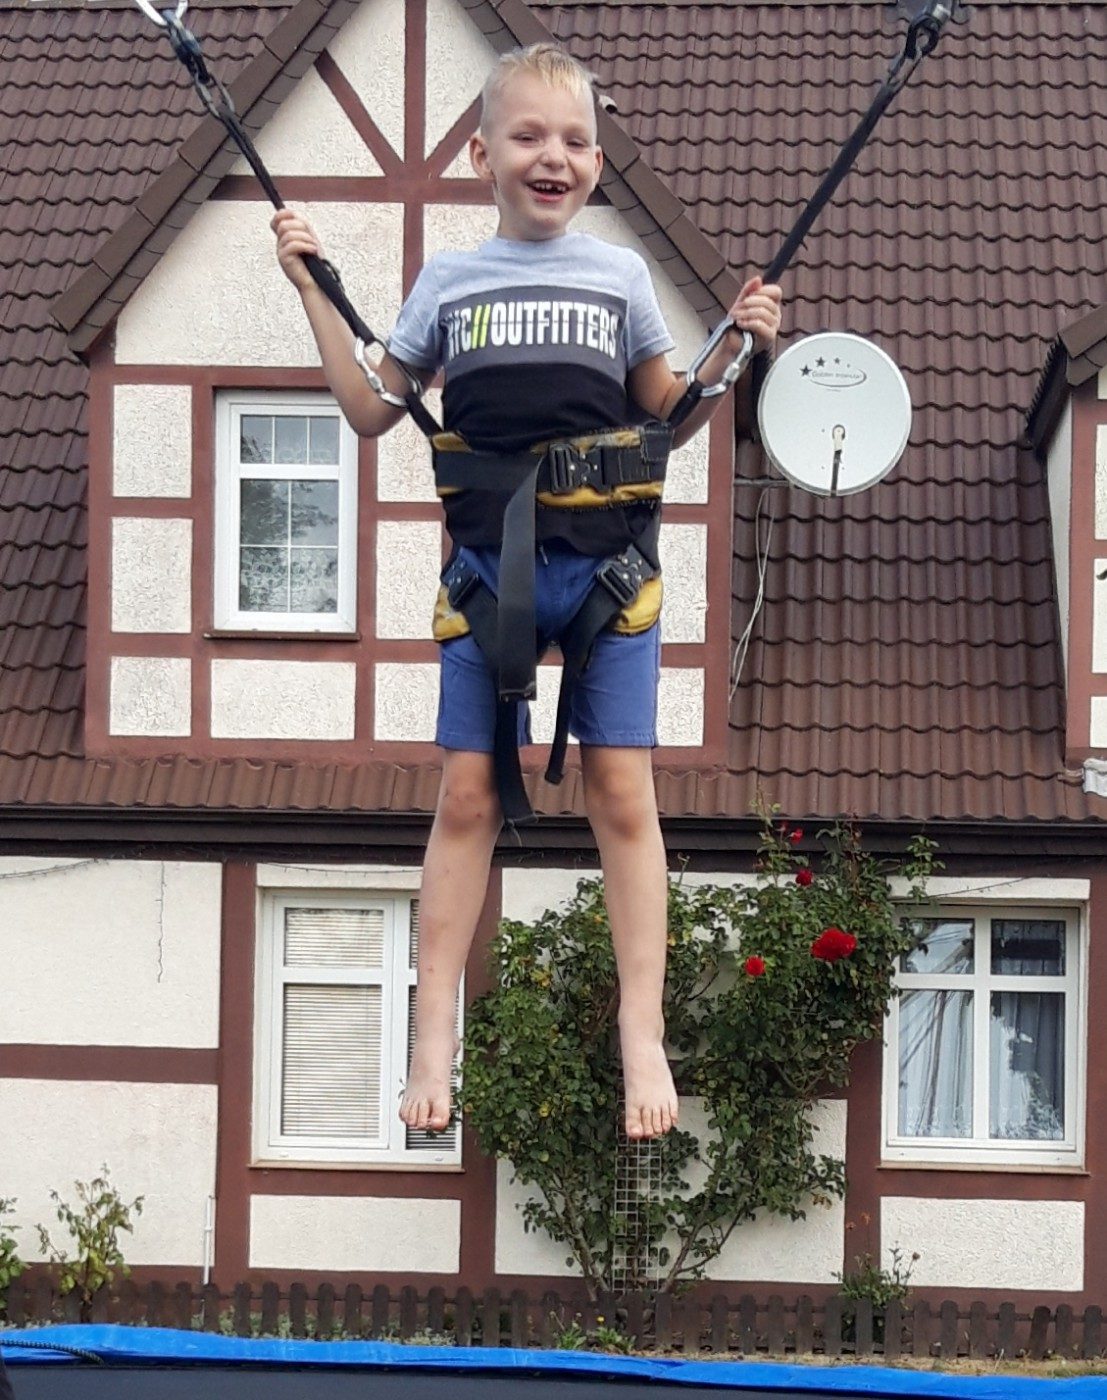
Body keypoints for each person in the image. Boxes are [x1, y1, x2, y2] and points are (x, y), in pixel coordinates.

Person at [272, 42, 782, 1141]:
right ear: (480, 155)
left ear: (597, 161)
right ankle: (432, 1034)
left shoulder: (620, 277)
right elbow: (370, 408)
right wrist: (314, 291)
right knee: (466, 795)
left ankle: (641, 1027)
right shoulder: (449, 282)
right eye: (530, 136)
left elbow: (668, 413)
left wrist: (733, 349)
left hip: (606, 572)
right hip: (489, 574)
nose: (554, 156)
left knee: (623, 793)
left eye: (576, 141)